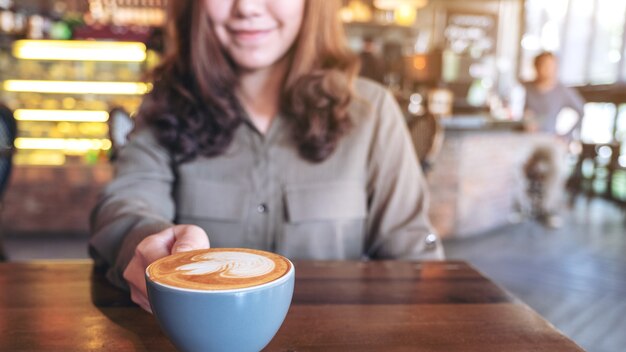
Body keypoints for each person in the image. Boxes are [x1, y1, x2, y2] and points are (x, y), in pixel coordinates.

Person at [89, 0, 443, 312]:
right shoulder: (167, 106)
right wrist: (147, 245)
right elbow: (125, 205)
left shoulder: (372, 111)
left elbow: (412, 257)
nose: (247, 7)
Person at [521, 52, 585, 227]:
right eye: (544, 65)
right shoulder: (525, 87)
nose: (548, 70)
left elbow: (580, 111)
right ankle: (521, 206)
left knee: (559, 166)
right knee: (513, 163)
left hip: (550, 139)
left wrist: (567, 136)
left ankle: (547, 209)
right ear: (536, 67)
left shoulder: (562, 90)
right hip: (524, 138)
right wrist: (525, 119)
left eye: (552, 66)